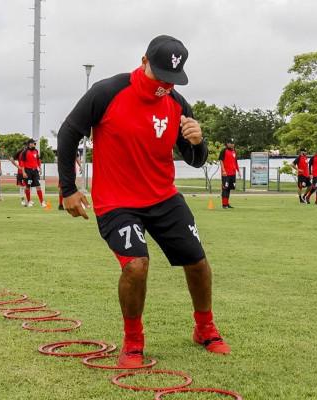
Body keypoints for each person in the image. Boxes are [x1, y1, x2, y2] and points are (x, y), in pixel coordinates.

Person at [56, 35, 230, 368]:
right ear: (144, 61)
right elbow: (68, 133)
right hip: (117, 201)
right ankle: (133, 342)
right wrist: (68, 189)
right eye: (161, 73)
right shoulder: (107, 92)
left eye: (172, 79)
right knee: (136, 265)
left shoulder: (178, 104)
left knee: (197, 261)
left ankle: (204, 328)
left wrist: (198, 142)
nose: (165, 84)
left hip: (163, 197)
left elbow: (194, 159)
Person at [20, 138, 46, 207]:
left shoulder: (36, 151)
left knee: (38, 186)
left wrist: (40, 168)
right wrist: (23, 172)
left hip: (35, 172)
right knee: (28, 187)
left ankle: (42, 202)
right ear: (29, 144)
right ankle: (29, 202)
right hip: (28, 171)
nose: (34, 144)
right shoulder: (25, 152)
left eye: (34, 143)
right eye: (33, 143)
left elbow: (38, 160)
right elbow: (22, 163)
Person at [218, 138, 241, 209]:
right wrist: (223, 170)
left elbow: (235, 162)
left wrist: (238, 171)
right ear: (227, 144)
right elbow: (221, 161)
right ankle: (224, 205)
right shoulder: (224, 151)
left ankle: (227, 203)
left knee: (229, 189)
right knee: (225, 188)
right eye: (230, 143)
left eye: (233, 143)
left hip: (232, 173)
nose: (232, 144)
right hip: (226, 174)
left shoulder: (234, 151)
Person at [10, 142, 28, 206]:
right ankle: (22, 200)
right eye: (25, 145)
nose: (26, 147)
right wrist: (17, 166)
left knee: (28, 187)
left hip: (29, 172)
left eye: (27, 145)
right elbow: (11, 159)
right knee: (22, 187)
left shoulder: (30, 152)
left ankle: (28, 200)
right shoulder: (19, 152)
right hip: (21, 172)